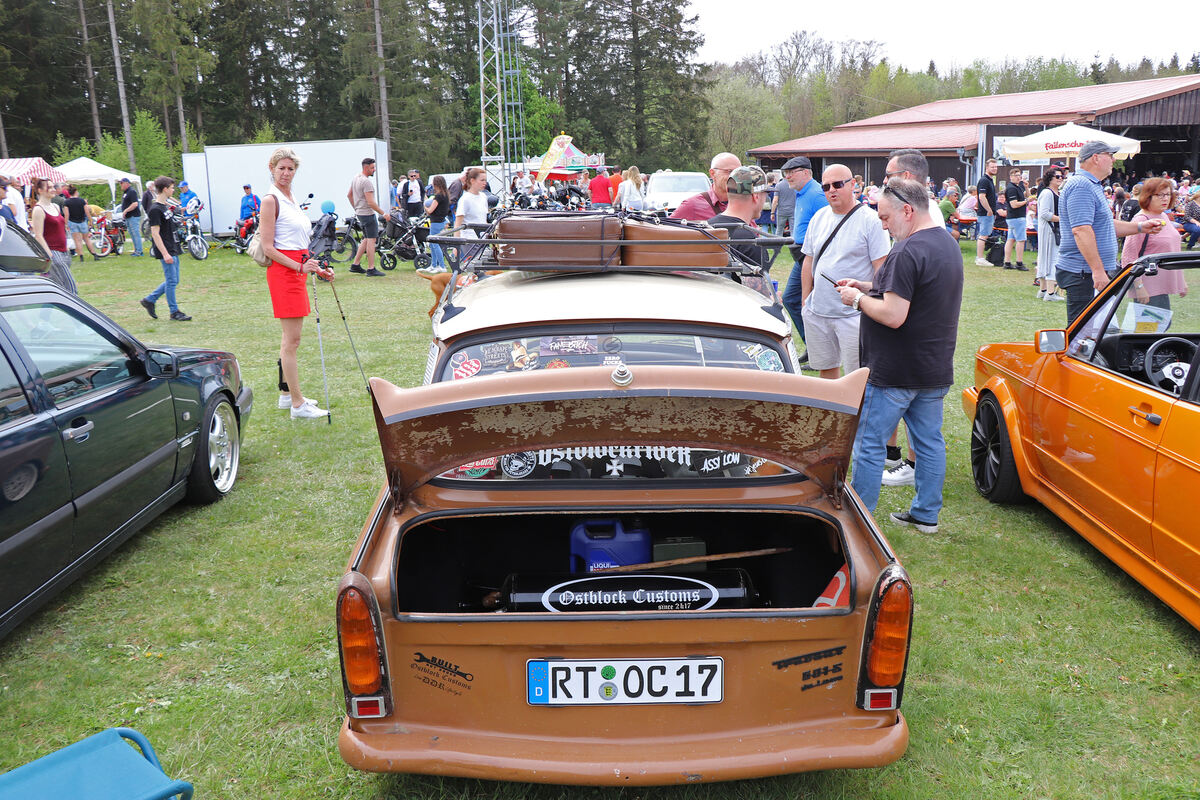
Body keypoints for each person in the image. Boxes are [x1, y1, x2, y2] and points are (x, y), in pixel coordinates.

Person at [834, 177, 963, 534]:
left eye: (887, 216)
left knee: (868, 444)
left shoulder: (906, 250)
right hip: (933, 367)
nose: (883, 223)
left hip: (895, 371)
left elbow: (894, 314)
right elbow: (916, 294)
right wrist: (868, 287)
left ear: (908, 210)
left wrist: (858, 300)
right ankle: (926, 515)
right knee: (929, 443)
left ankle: (859, 524)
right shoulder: (947, 244)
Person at [258, 147, 335, 419]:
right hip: (284, 272)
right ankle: (298, 404)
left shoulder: (289, 197)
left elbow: (299, 244)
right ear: (272, 168)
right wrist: (300, 267)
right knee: (293, 341)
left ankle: (286, 394)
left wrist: (316, 267)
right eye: (282, 168)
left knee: (288, 340)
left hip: (297, 268)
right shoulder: (270, 200)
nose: (286, 173)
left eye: (290, 169)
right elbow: (269, 248)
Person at [1057, 140, 1166, 325]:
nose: (1114, 160)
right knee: (1082, 335)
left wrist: (1139, 227)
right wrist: (1098, 272)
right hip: (1084, 273)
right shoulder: (1082, 185)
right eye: (1110, 155)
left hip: (1089, 272)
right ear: (1096, 158)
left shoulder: (1091, 185)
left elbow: (1105, 225)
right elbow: (1081, 231)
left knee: (1101, 332)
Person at [800, 164, 889, 380]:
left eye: (838, 184)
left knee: (856, 376)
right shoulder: (819, 217)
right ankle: (830, 413)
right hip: (818, 311)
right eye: (826, 186)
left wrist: (875, 306)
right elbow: (808, 261)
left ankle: (857, 415)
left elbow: (882, 267)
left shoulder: (871, 220)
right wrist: (805, 300)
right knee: (826, 370)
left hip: (854, 314)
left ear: (853, 185)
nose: (832, 190)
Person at [780, 155, 828, 362]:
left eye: (792, 172)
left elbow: (829, 225)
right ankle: (813, 347)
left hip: (813, 257)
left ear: (806, 173)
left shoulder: (817, 194)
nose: (787, 177)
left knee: (806, 302)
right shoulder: (801, 193)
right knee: (792, 300)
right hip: (802, 256)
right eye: (785, 173)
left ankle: (819, 350)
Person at [1121, 177, 1186, 310]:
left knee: (1159, 325)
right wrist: (1139, 287)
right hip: (1148, 286)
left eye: (1168, 194)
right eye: (1160, 195)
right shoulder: (1141, 219)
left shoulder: (1162, 216)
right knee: (1149, 328)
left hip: (1160, 285)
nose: (1165, 198)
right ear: (1148, 196)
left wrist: (1181, 280)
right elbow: (1128, 257)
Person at [139, 175, 190, 322]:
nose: (173, 190)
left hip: (172, 246)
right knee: (172, 281)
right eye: (172, 188)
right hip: (166, 249)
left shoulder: (164, 206)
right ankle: (174, 312)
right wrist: (165, 253)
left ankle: (150, 300)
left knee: (173, 280)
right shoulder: (155, 209)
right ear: (165, 189)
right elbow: (155, 233)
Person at [706, 165, 772, 268]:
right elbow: (757, 284)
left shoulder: (707, 228)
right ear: (756, 196)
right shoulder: (751, 244)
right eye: (765, 194)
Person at [29, 177, 77, 294]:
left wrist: (66, 246)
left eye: (53, 187)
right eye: (49, 187)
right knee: (71, 289)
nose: (52, 189)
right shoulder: (39, 210)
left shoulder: (55, 206)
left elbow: (61, 228)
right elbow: (38, 235)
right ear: (40, 190)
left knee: (55, 289)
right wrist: (49, 255)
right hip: (53, 253)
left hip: (64, 251)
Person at [671, 152, 741, 221]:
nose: (734, 176)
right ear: (712, 174)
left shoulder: (747, 204)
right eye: (729, 171)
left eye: (738, 172)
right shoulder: (692, 205)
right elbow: (666, 229)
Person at [347, 157, 387, 277]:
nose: (374, 170)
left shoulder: (356, 178)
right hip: (368, 214)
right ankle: (371, 268)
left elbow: (349, 195)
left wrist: (356, 208)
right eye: (372, 168)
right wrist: (383, 213)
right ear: (366, 168)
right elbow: (371, 202)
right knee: (371, 240)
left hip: (360, 213)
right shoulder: (366, 182)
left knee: (366, 238)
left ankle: (355, 265)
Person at [1035, 169, 1065, 302]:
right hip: (1049, 230)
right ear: (1050, 179)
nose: (1060, 178)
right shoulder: (1047, 193)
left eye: (1062, 176)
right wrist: (1062, 219)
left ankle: (1043, 290)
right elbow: (1044, 214)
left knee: (1045, 258)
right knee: (1051, 259)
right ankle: (1050, 293)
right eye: (1057, 176)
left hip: (1051, 230)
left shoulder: (1056, 193)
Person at [452, 167, 489, 261]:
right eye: (482, 180)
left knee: (486, 268)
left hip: (482, 238)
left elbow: (483, 219)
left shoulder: (484, 197)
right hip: (470, 240)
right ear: (472, 180)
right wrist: (456, 246)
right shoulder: (465, 199)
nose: (485, 183)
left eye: (485, 180)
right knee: (478, 270)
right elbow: (458, 224)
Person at [418, 175, 451, 274]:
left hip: (436, 222)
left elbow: (430, 210)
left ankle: (441, 265)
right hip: (441, 221)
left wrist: (424, 205)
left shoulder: (438, 196)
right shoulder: (445, 195)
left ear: (436, 184)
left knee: (434, 244)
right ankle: (434, 265)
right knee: (433, 244)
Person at [62, 186, 102, 261]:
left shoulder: (66, 202)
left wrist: (66, 224)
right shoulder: (81, 201)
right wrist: (90, 221)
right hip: (82, 222)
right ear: (76, 192)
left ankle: (81, 256)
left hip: (72, 222)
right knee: (86, 239)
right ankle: (94, 254)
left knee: (77, 240)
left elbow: (67, 214)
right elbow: (87, 212)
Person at [1001, 168, 1029, 271]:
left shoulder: (1018, 187)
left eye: (1020, 176)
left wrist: (1026, 188)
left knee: (1011, 239)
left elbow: (1026, 196)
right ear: (1011, 176)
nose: (1019, 178)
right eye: (1016, 175)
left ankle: (1007, 262)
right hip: (1016, 217)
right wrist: (1026, 202)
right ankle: (1019, 263)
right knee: (1021, 240)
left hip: (1013, 217)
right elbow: (1014, 204)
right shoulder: (1011, 188)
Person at [974, 158, 999, 266]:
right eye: (992, 167)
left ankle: (980, 258)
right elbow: (981, 197)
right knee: (983, 235)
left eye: (996, 167)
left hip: (989, 213)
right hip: (986, 213)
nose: (995, 168)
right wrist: (989, 210)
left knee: (985, 234)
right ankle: (979, 258)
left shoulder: (989, 180)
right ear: (987, 167)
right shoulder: (984, 180)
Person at [119, 177, 144, 256]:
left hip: (133, 216)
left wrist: (126, 210)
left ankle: (139, 251)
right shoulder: (126, 192)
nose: (121, 185)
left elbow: (135, 204)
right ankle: (136, 249)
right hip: (128, 217)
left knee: (135, 233)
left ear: (126, 183)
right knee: (132, 233)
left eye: (121, 183)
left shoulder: (131, 191)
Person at [1180, 185, 1200, 250]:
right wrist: (1196, 222)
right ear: (1198, 197)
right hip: (1188, 223)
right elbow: (1187, 216)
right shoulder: (1191, 204)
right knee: (1197, 229)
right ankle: (1190, 245)